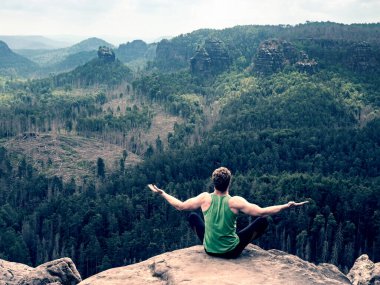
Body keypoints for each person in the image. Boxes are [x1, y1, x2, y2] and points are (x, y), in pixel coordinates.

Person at [148, 167, 308, 258]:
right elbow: (261, 212)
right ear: (229, 183)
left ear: (213, 183)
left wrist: (162, 193)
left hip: (209, 249)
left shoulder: (204, 198)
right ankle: (231, 242)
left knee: (192, 216)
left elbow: (180, 206)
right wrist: (287, 205)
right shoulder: (235, 202)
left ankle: (211, 240)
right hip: (230, 252)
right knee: (262, 221)